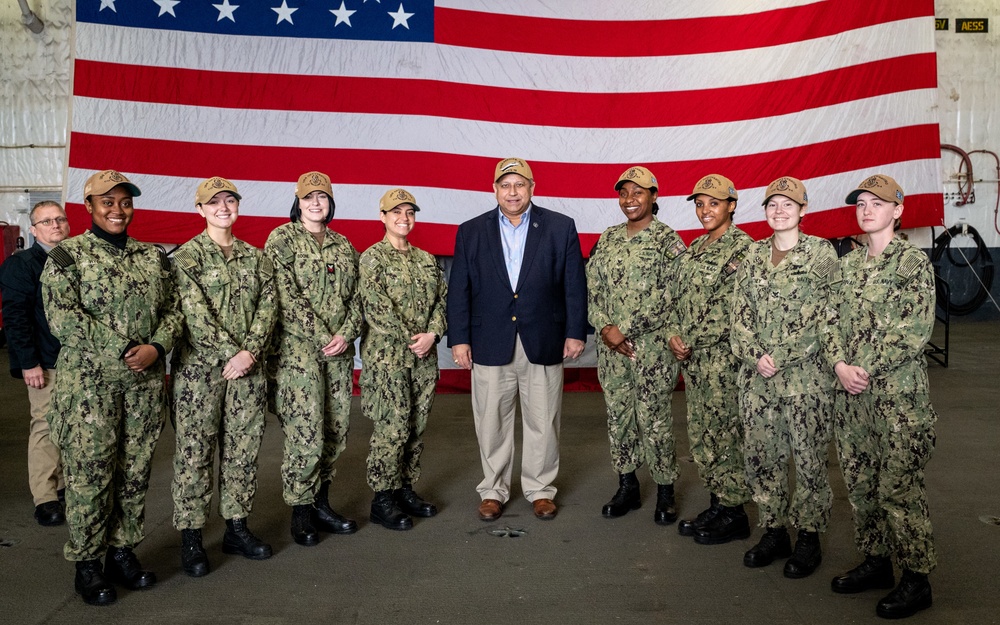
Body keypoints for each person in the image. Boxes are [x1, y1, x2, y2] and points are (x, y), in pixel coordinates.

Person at [41, 170, 182, 606]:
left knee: (135, 473)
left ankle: (122, 552)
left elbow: (175, 309)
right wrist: (125, 348)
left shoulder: (152, 257)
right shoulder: (68, 256)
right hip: (90, 391)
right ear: (89, 207)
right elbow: (63, 317)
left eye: (124, 202)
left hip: (142, 388)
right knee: (91, 476)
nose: (117, 210)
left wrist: (157, 347)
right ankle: (88, 564)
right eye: (108, 202)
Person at [447, 157, 587, 521]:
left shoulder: (560, 227)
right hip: (490, 339)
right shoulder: (471, 231)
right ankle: (493, 489)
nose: (512, 192)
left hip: (543, 337)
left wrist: (575, 332)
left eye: (519, 184)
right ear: (494, 189)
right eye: (505, 185)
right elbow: (458, 289)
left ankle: (540, 489)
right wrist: (458, 339)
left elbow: (574, 284)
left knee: (544, 418)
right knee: (491, 419)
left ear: (532, 187)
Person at [827, 175, 937, 619]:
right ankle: (877, 561)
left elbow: (914, 331)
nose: (867, 209)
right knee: (860, 483)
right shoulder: (847, 265)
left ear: (898, 211)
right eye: (861, 203)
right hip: (852, 400)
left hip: (897, 399)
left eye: (878, 203)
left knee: (899, 487)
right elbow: (828, 322)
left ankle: (916, 578)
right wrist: (839, 365)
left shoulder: (912, 264)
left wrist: (863, 369)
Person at [729, 176, 837, 579]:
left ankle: (808, 536)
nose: (779, 210)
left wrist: (780, 355)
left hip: (805, 380)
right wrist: (756, 355)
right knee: (762, 457)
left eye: (788, 205)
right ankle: (774, 530)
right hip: (758, 380)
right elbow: (738, 317)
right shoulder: (752, 256)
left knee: (808, 459)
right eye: (772, 204)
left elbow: (826, 317)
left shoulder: (821, 255)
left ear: (803, 210)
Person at [170, 177, 277, 576]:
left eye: (229, 200)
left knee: (243, 451)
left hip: (247, 373)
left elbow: (269, 308)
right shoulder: (185, 259)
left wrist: (249, 353)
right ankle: (193, 538)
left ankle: (236, 527)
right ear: (200, 210)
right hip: (199, 376)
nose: (223, 207)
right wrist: (232, 352)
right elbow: (194, 316)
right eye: (213, 202)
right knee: (194, 455)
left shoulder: (257, 257)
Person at [264, 171, 362, 545]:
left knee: (335, 429)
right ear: (298, 201)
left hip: (337, 355)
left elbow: (359, 296)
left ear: (331, 202)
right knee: (305, 435)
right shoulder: (282, 239)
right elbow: (284, 295)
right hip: (298, 355)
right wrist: (324, 335)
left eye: (322, 197)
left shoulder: (342, 244)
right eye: (309, 197)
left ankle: (322, 503)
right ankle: (301, 512)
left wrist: (346, 333)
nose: (316, 203)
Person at [586, 166, 685, 525]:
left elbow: (673, 295)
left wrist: (623, 328)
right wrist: (606, 328)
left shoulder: (667, 241)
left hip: (652, 351)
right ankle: (627, 485)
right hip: (612, 352)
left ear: (654, 196)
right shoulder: (609, 238)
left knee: (654, 419)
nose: (630, 199)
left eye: (638, 192)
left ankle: (664, 489)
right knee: (619, 417)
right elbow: (591, 287)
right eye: (624, 193)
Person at [666, 175, 754, 543]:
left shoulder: (744, 249)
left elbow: (731, 310)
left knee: (726, 433)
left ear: (731, 205)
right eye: (700, 204)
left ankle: (735, 512)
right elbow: (675, 297)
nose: (705, 211)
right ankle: (719, 502)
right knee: (703, 434)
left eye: (713, 203)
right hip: (695, 363)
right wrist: (672, 332)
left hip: (723, 361)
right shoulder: (696, 248)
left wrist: (690, 338)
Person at [358, 188, 447, 530]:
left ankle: (405, 489)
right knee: (391, 430)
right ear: (382, 217)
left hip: (424, 359)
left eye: (409, 212)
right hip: (388, 360)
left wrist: (433, 334)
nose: (403, 218)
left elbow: (441, 301)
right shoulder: (372, 259)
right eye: (396, 212)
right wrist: (414, 339)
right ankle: (382, 498)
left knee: (415, 427)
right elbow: (377, 308)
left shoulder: (426, 259)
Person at [0, 200, 69, 527]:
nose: (55, 225)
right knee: (45, 427)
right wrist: (28, 364)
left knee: (74, 429)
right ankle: (45, 497)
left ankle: (67, 487)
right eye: (46, 222)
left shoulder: (76, 259)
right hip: (45, 362)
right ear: (33, 229)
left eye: (59, 219)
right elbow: (15, 318)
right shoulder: (22, 265)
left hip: (79, 363)